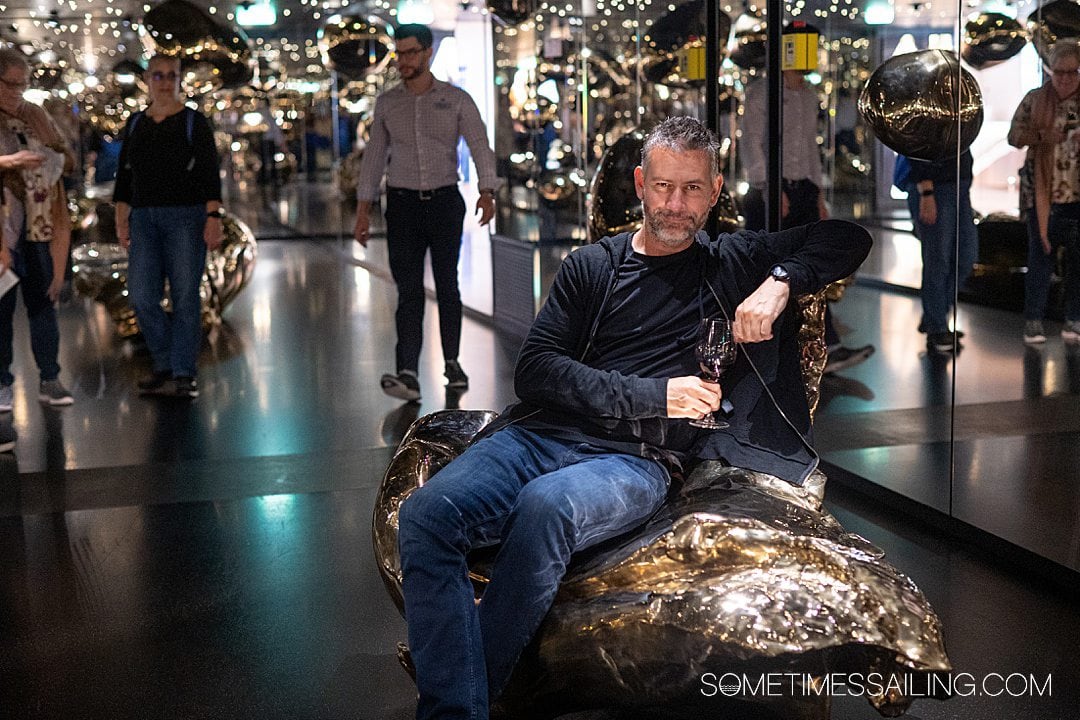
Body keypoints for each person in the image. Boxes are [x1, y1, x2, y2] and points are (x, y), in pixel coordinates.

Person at [396, 117, 872, 720]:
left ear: (717, 188)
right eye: (665, 187)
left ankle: (460, 706)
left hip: (637, 460)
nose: (676, 205)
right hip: (540, 435)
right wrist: (654, 394)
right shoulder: (592, 266)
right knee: (426, 514)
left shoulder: (730, 261)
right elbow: (537, 371)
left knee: (547, 507)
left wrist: (780, 282)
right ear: (641, 184)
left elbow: (846, 237)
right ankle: (465, 703)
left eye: (693, 189)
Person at [353, 23, 498, 401]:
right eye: (399, 54)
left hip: (445, 201)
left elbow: (480, 145)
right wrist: (363, 208)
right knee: (409, 291)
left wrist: (487, 190)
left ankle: (452, 361)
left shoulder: (455, 99)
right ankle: (407, 371)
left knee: (448, 285)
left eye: (410, 53)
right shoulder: (388, 103)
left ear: (428, 52)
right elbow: (373, 157)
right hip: (400, 205)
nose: (403, 61)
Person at [741, 66, 874, 375]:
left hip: (803, 189)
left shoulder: (808, 94)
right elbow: (752, 142)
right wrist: (769, 187)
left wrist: (817, 194)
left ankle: (826, 347)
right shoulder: (763, 92)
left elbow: (810, 148)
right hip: (774, 189)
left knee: (810, 268)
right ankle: (763, 350)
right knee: (765, 268)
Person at [114, 54, 223, 398]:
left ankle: (182, 370)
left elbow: (209, 173)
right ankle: (163, 359)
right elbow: (125, 175)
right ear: (147, 79)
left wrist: (213, 217)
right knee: (143, 296)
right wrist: (121, 217)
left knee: (185, 296)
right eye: (158, 75)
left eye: (170, 76)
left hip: (185, 218)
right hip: (143, 218)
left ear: (179, 80)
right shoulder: (135, 124)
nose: (164, 82)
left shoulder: (194, 122)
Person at [0, 47, 75, 413]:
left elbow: (65, 157)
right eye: (10, 85)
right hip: (5, 231)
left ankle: (50, 376)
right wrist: (11, 162)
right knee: (0, 311)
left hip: (40, 227)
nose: (17, 93)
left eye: (22, 85)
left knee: (44, 302)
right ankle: (1, 384)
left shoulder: (35, 114)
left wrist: (52, 151)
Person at [1008, 42, 1080, 345]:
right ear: (1050, 71)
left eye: (1071, 72)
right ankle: (1034, 321)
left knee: (1078, 264)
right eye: (1059, 72)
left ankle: (1074, 319)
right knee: (1040, 261)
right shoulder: (1035, 100)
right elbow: (1013, 136)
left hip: (1077, 198)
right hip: (1043, 197)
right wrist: (1040, 136)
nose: (1064, 79)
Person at [895, 150, 978, 353]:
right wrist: (926, 190)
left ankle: (935, 315)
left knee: (965, 256)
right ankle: (936, 325)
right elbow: (916, 146)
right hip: (936, 186)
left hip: (958, 183)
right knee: (937, 259)